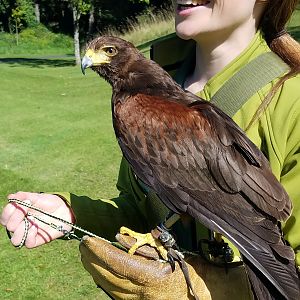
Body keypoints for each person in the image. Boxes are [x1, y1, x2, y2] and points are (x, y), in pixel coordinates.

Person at [1, 0, 300, 299]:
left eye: (106, 52)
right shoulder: (156, 91)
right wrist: (71, 211)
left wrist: (223, 292)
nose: (91, 58)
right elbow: (150, 204)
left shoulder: (292, 99)